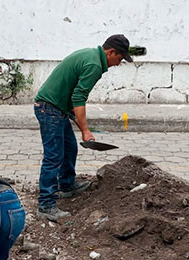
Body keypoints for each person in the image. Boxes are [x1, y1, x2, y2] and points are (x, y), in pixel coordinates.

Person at [34, 34, 132, 221]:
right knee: (53, 157)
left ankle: (66, 185)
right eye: (119, 59)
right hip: (49, 108)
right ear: (110, 52)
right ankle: (46, 205)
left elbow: (72, 95)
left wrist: (83, 127)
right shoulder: (94, 65)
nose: (118, 64)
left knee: (70, 148)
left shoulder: (91, 56)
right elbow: (79, 98)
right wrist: (86, 131)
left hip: (58, 108)